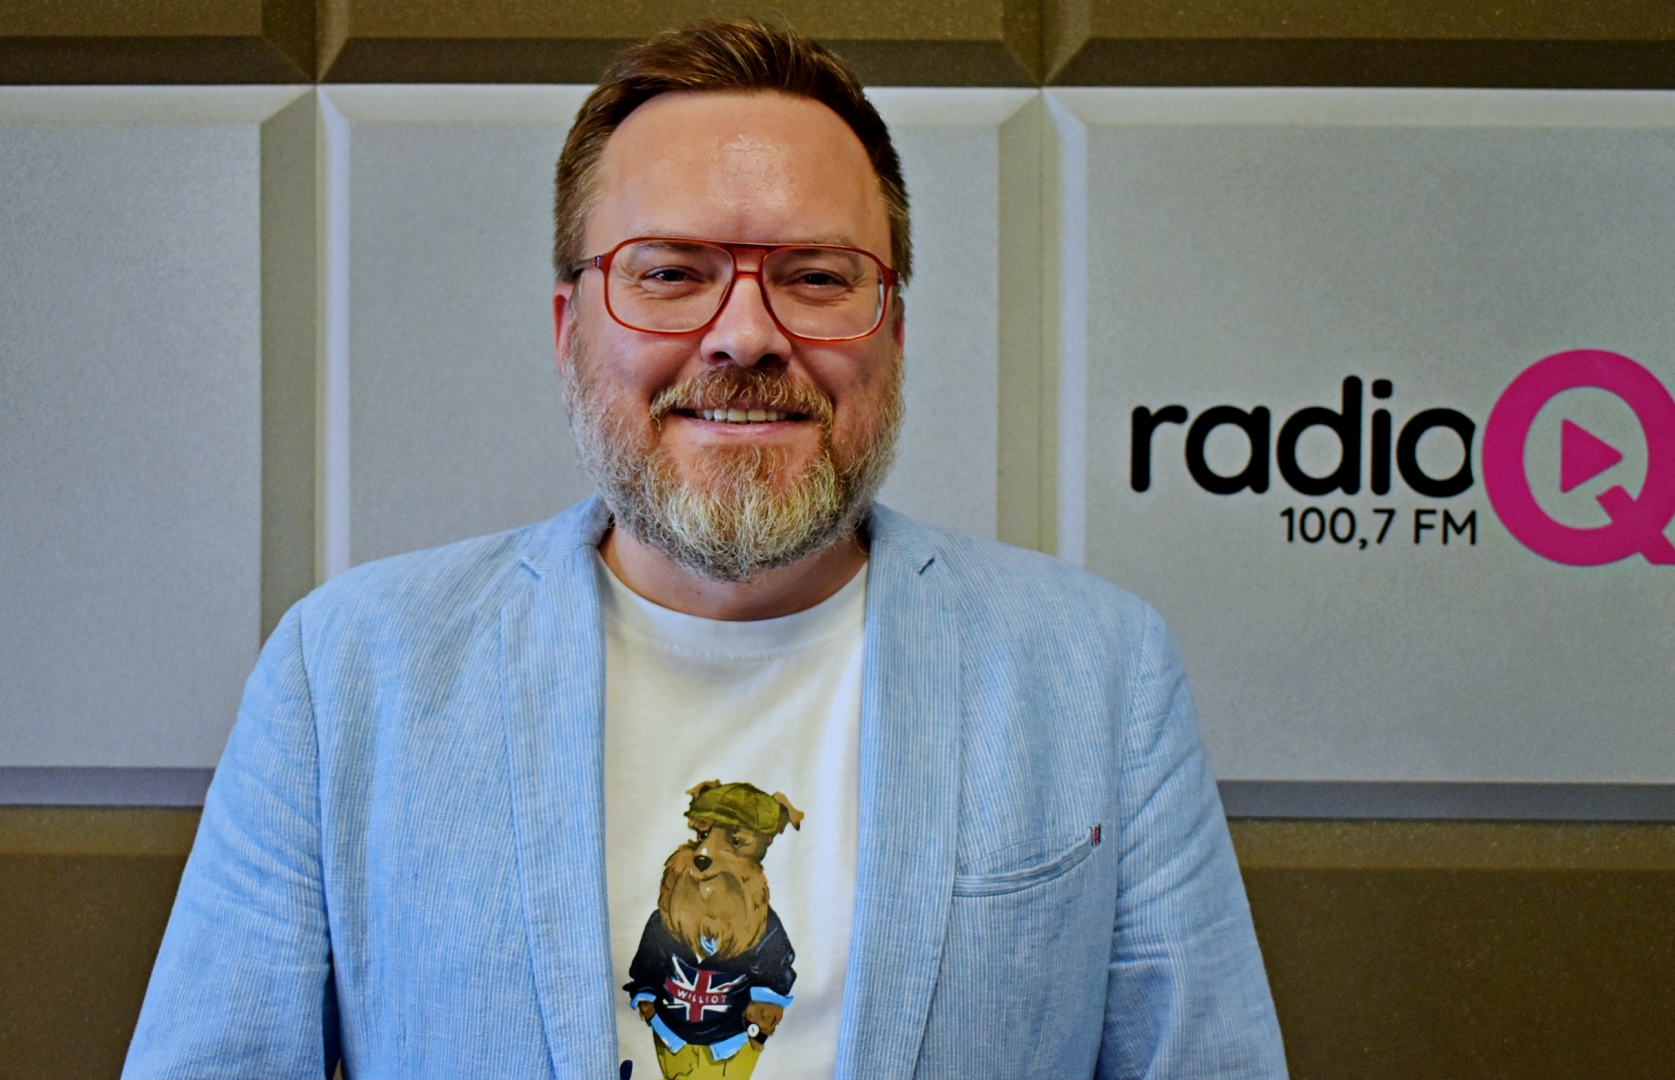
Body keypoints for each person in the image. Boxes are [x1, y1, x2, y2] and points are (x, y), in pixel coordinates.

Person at [123, 20, 1286, 1080]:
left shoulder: (1097, 673)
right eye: (671, 274)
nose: (743, 336)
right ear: (571, 329)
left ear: (893, 329)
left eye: (816, 278)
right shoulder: (349, 674)